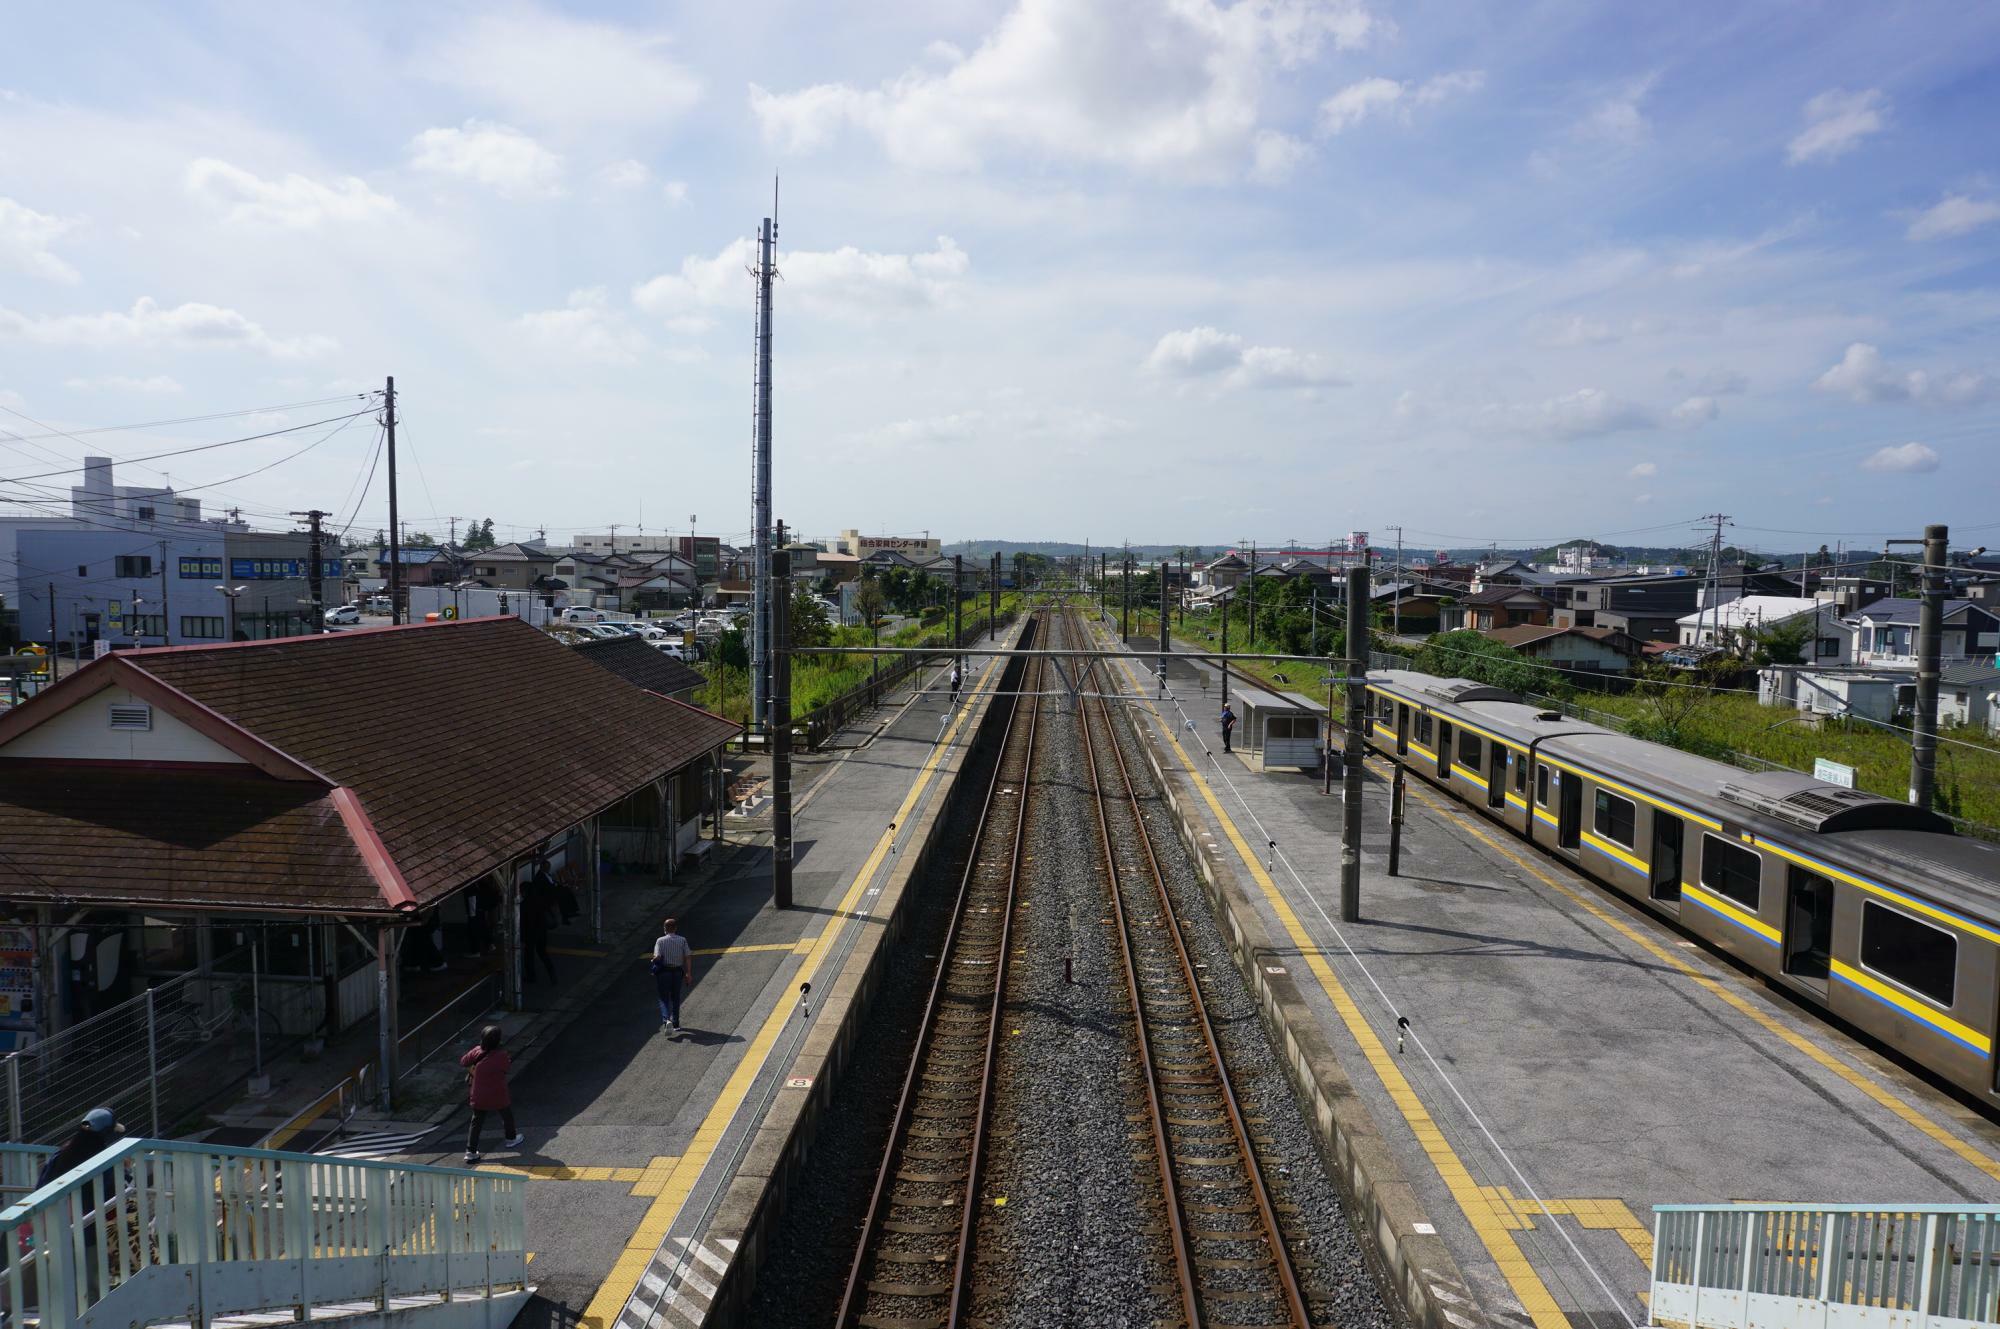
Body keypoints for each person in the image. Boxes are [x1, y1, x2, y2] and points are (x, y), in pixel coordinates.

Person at [460, 1025, 523, 1164]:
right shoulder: (502, 1055)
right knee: (506, 1116)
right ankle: (511, 1139)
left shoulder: (477, 1051)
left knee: (476, 1122)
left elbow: (463, 1061)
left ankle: (470, 1151)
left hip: (479, 1094)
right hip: (498, 1093)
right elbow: (506, 1068)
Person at [37, 1107, 125, 1193]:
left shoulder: (61, 1154)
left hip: (56, 1204)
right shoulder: (101, 1159)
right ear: (106, 1131)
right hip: (92, 1206)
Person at [647, 917, 694, 1034]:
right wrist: (688, 973)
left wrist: (653, 961)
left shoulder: (660, 941)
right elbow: (688, 956)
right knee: (676, 997)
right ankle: (676, 1023)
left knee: (664, 998)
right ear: (675, 928)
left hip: (664, 972)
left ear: (665, 929)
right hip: (677, 972)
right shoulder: (682, 940)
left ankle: (666, 1020)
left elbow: (657, 956)